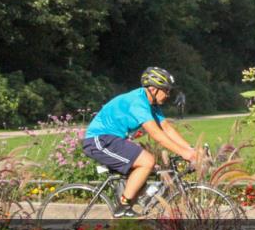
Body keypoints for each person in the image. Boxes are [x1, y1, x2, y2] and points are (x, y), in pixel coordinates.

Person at [82, 67, 198, 215]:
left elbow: (166, 128)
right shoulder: (138, 102)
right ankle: (123, 208)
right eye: (166, 90)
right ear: (153, 89)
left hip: (114, 139)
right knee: (147, 161)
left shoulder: (152, 105)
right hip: (99, 139)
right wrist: (183, 153)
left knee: (147, 170)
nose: (168, 95)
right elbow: (157, 134)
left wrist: (190, 150)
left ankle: (122, 218)